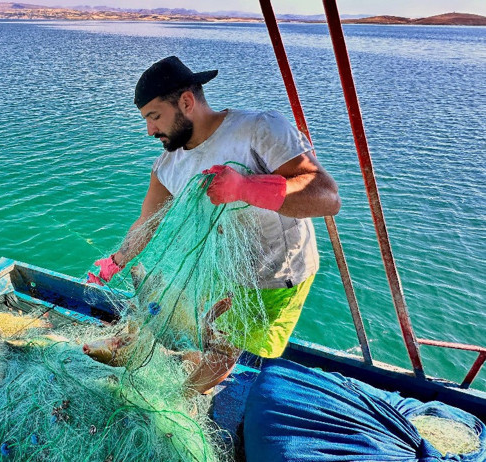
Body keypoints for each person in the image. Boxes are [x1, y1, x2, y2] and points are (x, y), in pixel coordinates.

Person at [88, 56, 341, 394]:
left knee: (223, 350)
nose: (149, 130)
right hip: (217, 268)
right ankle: (165, 358)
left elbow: (326, 196)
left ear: (187, 102)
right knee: (182, 315)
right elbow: (147, 221)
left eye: (154, 117)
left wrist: (249, 188)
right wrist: (116, 261)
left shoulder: (260, 129)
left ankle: (176, 402)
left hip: (274, 275)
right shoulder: (167, 165)